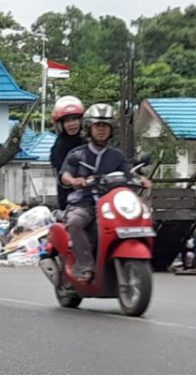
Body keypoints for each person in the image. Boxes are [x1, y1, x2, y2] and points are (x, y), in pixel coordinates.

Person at [60, 103, 135, 283]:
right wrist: (73, 180)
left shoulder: (117, 156)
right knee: (75, 222)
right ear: (89, 128)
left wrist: (140, 179)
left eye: (105, 126)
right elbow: (65, 174)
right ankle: (85, 265)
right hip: (84, 203)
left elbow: (129, 173)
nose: (101, 130)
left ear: (111, 130)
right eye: (97, 125)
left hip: (112, 205)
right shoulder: (77, 154)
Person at [49, 96, 86, 210]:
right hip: (72, 198)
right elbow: (62, 174)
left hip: (96, 192)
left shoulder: (91, 141)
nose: (71, 124)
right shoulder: (59, 147)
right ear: (60, 124)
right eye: (67, 121)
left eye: (74, 119)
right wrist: (73, 180)